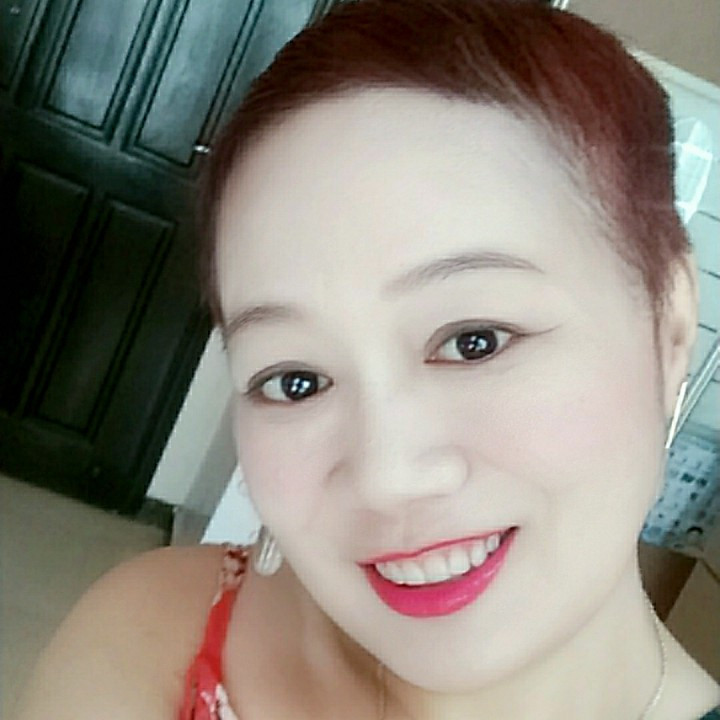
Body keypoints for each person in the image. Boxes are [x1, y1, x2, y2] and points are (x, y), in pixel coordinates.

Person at [13, 1, 720, 718]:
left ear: (668, 329)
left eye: (475, 340)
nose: (386, 478)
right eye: (296, 381)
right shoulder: (158, 624)